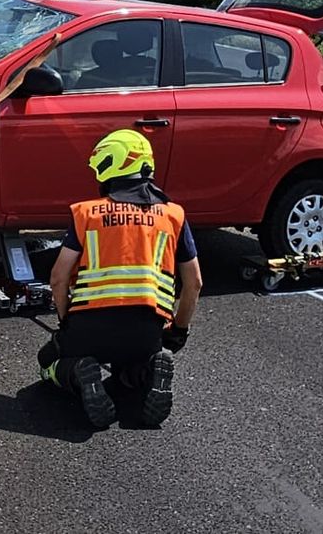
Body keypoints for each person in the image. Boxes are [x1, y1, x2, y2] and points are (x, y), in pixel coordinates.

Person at [38, 129, 202, 429]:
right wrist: (178, 329)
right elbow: (194, 283)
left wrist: (64, 322)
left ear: (110, 166)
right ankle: (150, 368)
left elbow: (59, 277)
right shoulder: (173, 215)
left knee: (48, 361)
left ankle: (79, 371)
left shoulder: (87, 213)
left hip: (89, 329)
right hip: (147, 331)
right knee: (131, 367)